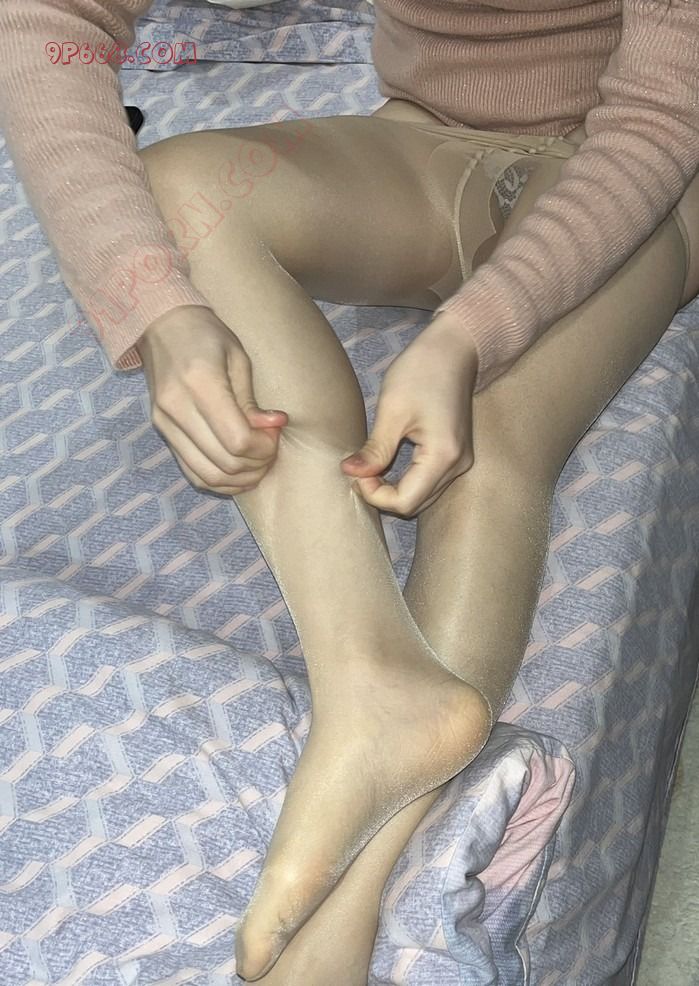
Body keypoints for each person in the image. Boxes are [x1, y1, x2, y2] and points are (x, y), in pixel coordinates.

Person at [1, 0, 698, 981]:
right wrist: (157, 308)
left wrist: (468, 333)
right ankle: (370, 678)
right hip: (426, 142)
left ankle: (362, 885)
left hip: (652, 173)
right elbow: (45, 23)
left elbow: (662, 115)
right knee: (182, 190)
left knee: (490, 434)